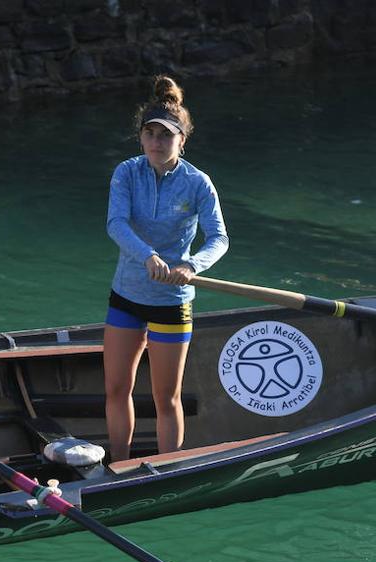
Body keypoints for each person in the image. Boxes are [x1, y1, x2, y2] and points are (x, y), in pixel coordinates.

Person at [104, 75, 228, 462]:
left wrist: (192, 264)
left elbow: (218, 238)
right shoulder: (126, 172)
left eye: (166, 135)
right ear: (141, 138)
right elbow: (116, 224)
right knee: (116, 389)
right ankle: (119, 465)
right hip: (126, 296)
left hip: (172, 302)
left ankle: (166, 469)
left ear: (182, 141)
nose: (157, 141)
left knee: (165, 398)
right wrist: (149, 257)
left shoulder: (198, 183)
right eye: (150, 133)